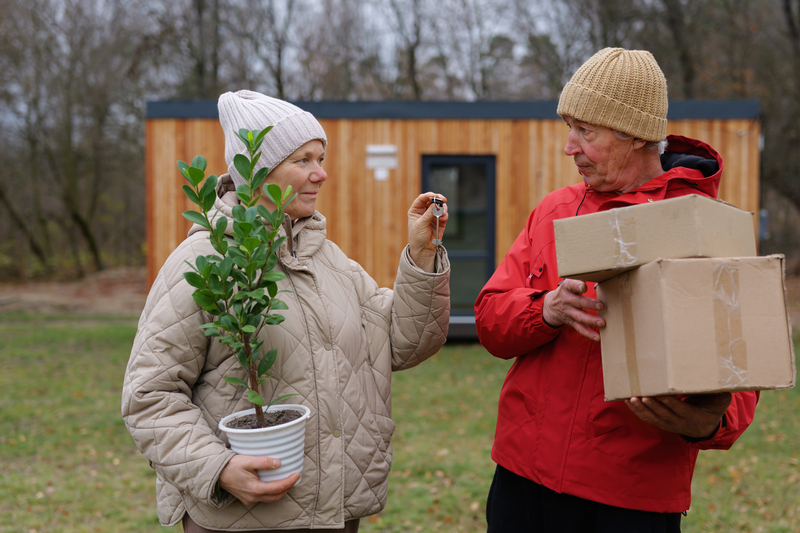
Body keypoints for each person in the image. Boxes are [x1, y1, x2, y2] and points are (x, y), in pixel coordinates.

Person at [122, 90, 451, 532]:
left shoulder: (329, 259)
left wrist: (421, 254)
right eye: (304, 161)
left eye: (321, 158)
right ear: (256, 172)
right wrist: (218, 468)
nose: (322, 173)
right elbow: (149, 395)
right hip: (243, 518)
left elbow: (404, 342)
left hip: (334, 512)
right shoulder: (201, 263)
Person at [474, 48, 759, 532]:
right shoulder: (553, 211)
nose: (570, 147)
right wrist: (546, 311)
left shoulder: (699, 225)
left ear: (636, 136)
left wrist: (711, 422)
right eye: (570, 128)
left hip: (627, 499)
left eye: (587, 132)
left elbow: (740, 362)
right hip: (522, 481)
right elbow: (490, 319)